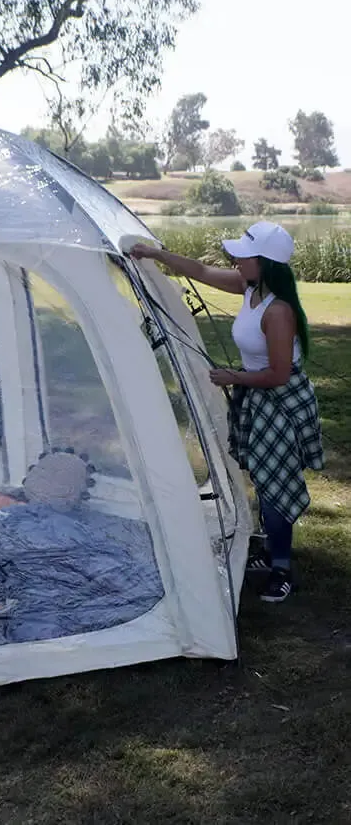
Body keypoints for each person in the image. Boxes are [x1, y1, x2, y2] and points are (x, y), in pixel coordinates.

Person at [130, 221, 324, 603]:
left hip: (278, 399)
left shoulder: (278, 311)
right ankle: (271, 551)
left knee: (275, 485)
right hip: (258, 394)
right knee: (265, 477)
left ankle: (281, 568)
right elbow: (200, 272)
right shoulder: (250, 287)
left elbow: (280, 373)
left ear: (265, 263)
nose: (235, 258)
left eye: (243, 255)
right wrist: (154, 254)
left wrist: (232, 376)